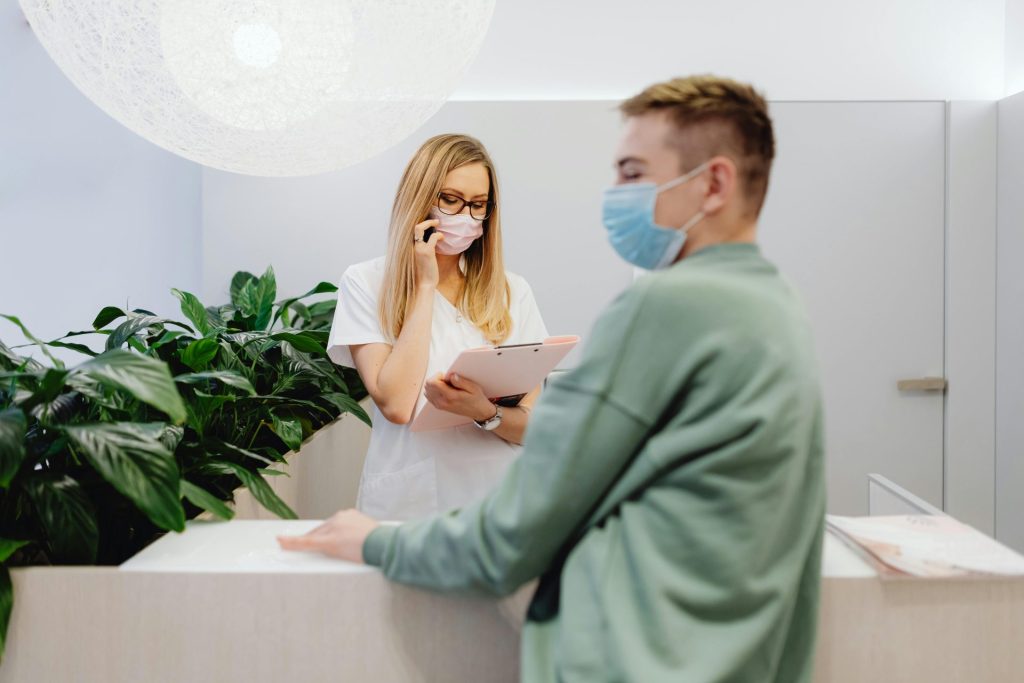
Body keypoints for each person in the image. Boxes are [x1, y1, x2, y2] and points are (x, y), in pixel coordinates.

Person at [283, 75, 826, 682]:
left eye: (630, 171)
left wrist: (376, 541)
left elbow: (526, 522)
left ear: (715, 182)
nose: (614, 194)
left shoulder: (657, 308)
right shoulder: (781, 307)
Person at [326, 134, 549, 521]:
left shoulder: (513, 291)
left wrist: (483, 411)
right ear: (420, 196)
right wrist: (425, 286)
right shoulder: (366, 282)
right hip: (413, 504)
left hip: (501, 501)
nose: (465, 215)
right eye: (450, 199)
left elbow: (534, 428)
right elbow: (396, 404)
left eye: (478, 205)